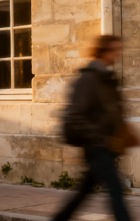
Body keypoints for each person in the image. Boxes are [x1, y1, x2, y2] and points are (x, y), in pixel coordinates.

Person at [52, 35, 132, 221]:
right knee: (116, 189)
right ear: (103, 51)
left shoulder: (107, 77)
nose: (118, 54)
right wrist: (98, 137)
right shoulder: (89, 78)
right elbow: (75, 115)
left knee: (84, 192)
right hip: (97, 145)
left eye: (119, 49)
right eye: (115, 50)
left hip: (107, 145)